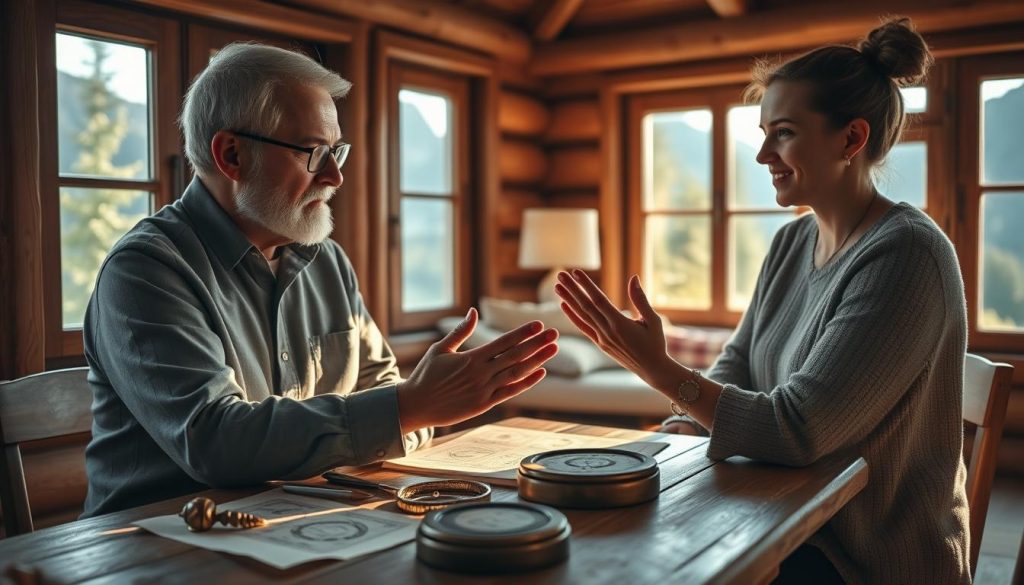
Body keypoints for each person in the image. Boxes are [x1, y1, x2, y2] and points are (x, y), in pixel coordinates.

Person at [554, 17, 970, 584]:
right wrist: (684, 424)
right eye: (765, 132)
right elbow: (741, 361)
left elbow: (796, 432)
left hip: (861, 558)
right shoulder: (791, 241)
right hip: (780, 516)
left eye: (784, 133)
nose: (762, 155)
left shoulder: (906, 257)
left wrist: (655, 367)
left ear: (851, 139)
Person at [82, 43, 558, 517]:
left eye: (337, 152)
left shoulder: (326, 260)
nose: (334, 176)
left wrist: (412, 407)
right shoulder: (146, 271)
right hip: (156, 543)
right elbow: (214, 440)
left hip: (299, 522)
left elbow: (387, 393)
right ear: (231, 154)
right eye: (313, 152)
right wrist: (408, 407)